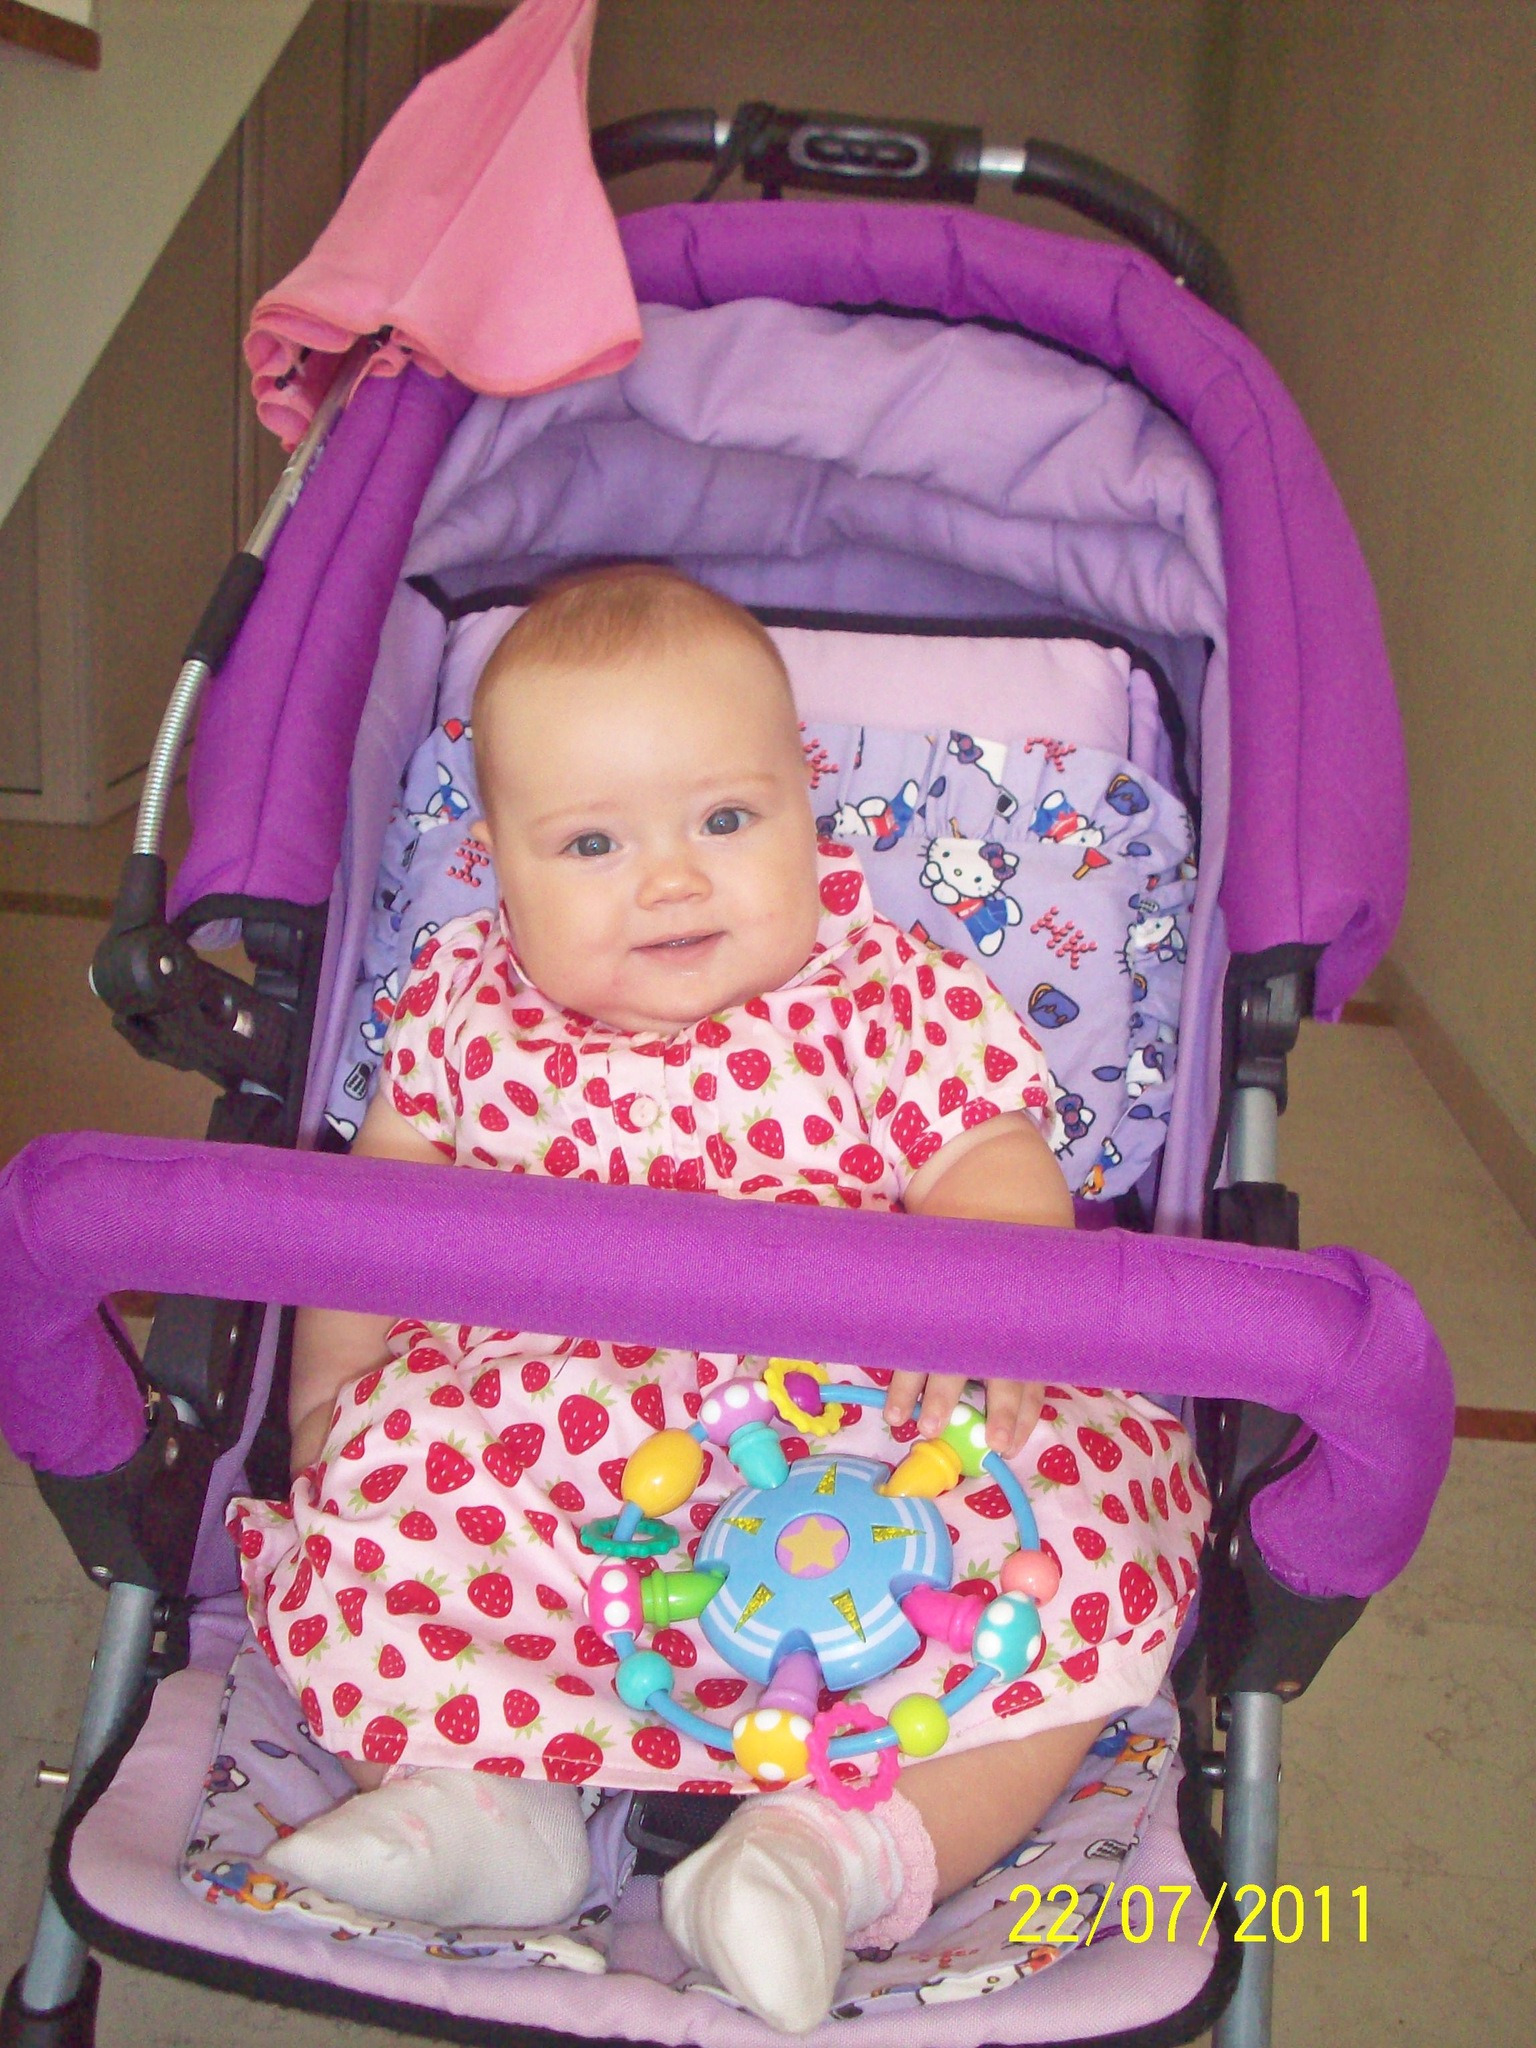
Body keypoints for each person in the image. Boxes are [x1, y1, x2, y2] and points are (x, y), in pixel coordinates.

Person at [231, 565, 1207, 2032]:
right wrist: (329, 1402)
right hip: (529, 1441)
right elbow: (370, 1229)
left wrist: (973, 1303)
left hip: (855, 1434)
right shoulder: (457, 1004)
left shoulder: (885, 991)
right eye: (593, 843)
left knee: (1076, 1530)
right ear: (495, 867)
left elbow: (992, 1159)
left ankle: (831, 1855)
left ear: (810, 808)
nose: (673, 880)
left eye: (727, 820)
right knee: (378, 1509)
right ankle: (483, 1804)